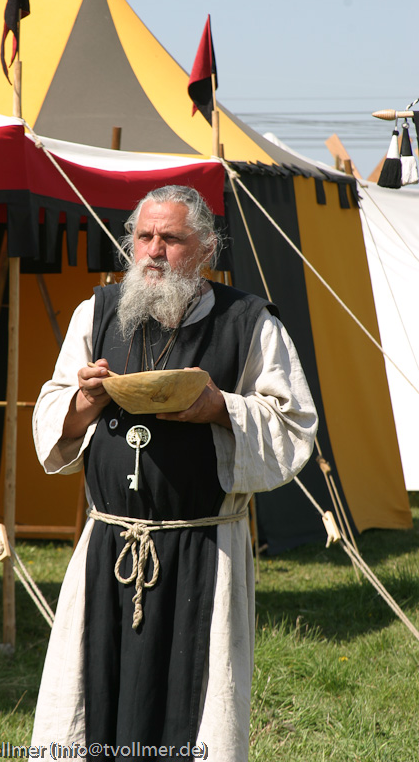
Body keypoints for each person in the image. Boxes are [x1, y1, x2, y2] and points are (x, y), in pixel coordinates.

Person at [31, 185, 318, 761]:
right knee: (93, 701)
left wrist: (220, 408)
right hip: (109, 545)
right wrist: (86, 400)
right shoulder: (97, 313)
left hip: (204, 549)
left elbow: (294, 425)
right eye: (144, 237)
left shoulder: (248, 322)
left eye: (171, 238)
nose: (154, 251)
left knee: (194, 704)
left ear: (207, 249)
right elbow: (50, 411)